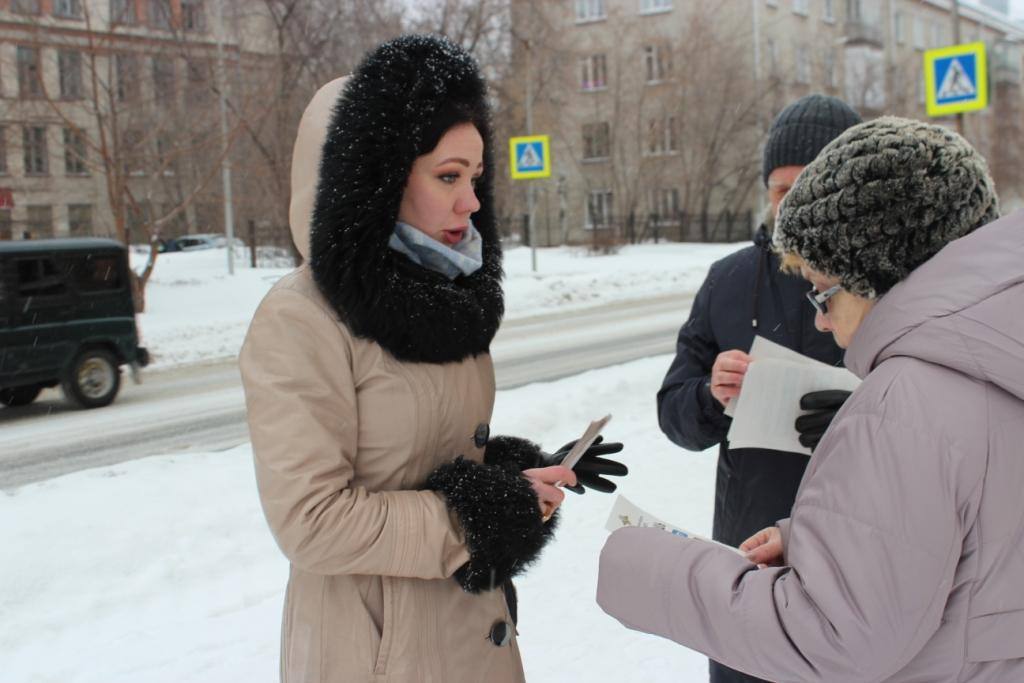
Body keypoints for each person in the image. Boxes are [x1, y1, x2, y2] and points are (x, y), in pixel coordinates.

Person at [239, 35, 626, 683]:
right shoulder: (301, 318)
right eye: (448, 176)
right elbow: (311, 521)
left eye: (474, 178)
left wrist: (522, 474)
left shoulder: (444, 296)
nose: (470, 201)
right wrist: (479, 515)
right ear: (375, 179)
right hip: (375, 652)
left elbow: (429, 453)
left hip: (466, 635)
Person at [598, 116, 1024, 681]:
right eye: (780, 187)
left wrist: (644, 563)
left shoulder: (907, 402)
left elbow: (836, 637)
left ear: (876, 264)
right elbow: (973, 544)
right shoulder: (996, 350)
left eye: (823, 294)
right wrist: (809, 539)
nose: (821, 321)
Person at [656, 93, 860, 683]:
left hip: (854, 551)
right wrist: (709, 395)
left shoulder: (882, 279)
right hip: (747, 555)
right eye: (779, 189)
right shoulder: (729, 281)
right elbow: (673, 413)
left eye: (808, 186)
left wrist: (861, 415)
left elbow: (936, 413)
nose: (791, 204)